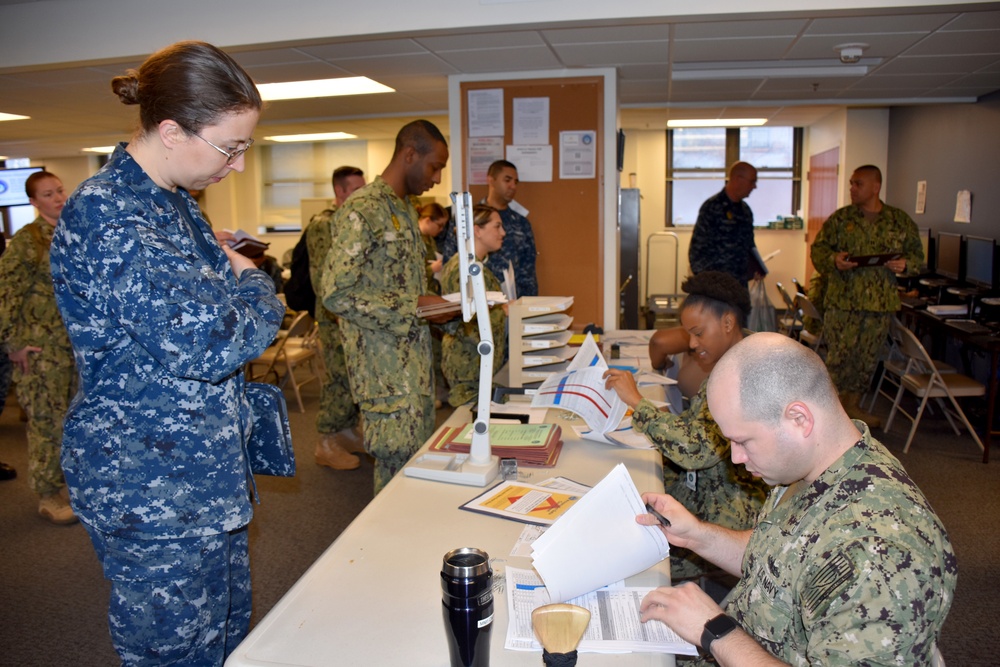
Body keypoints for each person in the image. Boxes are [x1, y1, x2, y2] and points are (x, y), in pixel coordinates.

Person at [49, 41, 284, 665]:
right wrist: (260, 286)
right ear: (173, 131)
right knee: (175, 654)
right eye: (230, 147)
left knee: (229, 638)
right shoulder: (110, 214)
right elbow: (210, 342)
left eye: (245, 149)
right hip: (149, 486)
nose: (237, 166)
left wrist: (234, 285)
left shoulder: (174, 205)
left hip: (201, 475)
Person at [637, 332, 957, 666]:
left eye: (743, 441)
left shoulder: (880, 556)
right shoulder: (809, 466)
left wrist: (715, 631)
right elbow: (779, 559)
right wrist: (697, 536)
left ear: (799, 419)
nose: (735, 458)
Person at [603, 272, 768, 580]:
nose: (692, 344)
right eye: (689, 334)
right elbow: (698, 426)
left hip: (728, 517)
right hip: (706, 494)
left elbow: (696, 450)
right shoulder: (734, 361)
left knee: (634, 558)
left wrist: (638, 402)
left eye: (698, 333)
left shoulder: (745, 374)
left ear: (728, 323)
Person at [322, 119, 453, 494]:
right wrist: (415, 306)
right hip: (385, 377)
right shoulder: (363, 209)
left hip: (414, 371)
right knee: (396, 478)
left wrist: (440, 308)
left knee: (413, 474)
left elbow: (403, 286)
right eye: (435, 166)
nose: (437, 178)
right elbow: (336, 292)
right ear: (409, 154)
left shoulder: (404, 210)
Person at [811, 164, 923, 427]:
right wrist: (834, 260)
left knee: (867, 359)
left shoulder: (899, 220)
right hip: (843, 302)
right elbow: (819, 251)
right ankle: (831, 411)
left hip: (879, 304)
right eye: (851, 183)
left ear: (876, 186)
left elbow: (918, 257)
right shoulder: (841, 220)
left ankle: (853, 407)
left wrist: (905, 264)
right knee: (839, 357)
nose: (852, 188)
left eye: (857, 183)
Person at [0, 171, 76, 513]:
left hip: (75, 347)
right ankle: (47, 495)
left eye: (59, 190)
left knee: (75, 420)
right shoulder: (27, 241)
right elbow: (5, 295)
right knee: (47, 422)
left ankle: (73, 485)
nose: (58, 198)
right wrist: (11, 344)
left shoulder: (74, 234)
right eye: (48, 194)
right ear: (34, 202)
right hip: (40, 349)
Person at [305, 165, 367, 471]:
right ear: (339, 192)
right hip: (334, 319)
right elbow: (323, 280)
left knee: (354, 379)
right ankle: (325, 443)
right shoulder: (323, 225)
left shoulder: (352, 222)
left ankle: (347, 432)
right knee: (338, 379)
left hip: (355, 317)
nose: (362, 196)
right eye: (356, 190)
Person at [439, 204, 507, 407]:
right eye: (497, 226)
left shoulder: (474, 266)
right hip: (468, 366)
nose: (502, 233)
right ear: (477, 230)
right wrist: (502, 311)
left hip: (475, 364)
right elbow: (465, 321)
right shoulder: (465, 269)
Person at [688, 161, 759, 286]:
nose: (754, 186)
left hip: (739, 286)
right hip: (716, 287)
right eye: (752, 181)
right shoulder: (712, 207)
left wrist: (757, 268)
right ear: (738, 179)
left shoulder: (746, 212)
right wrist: (707, 285)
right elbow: (696, 252)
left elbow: (750, 247)